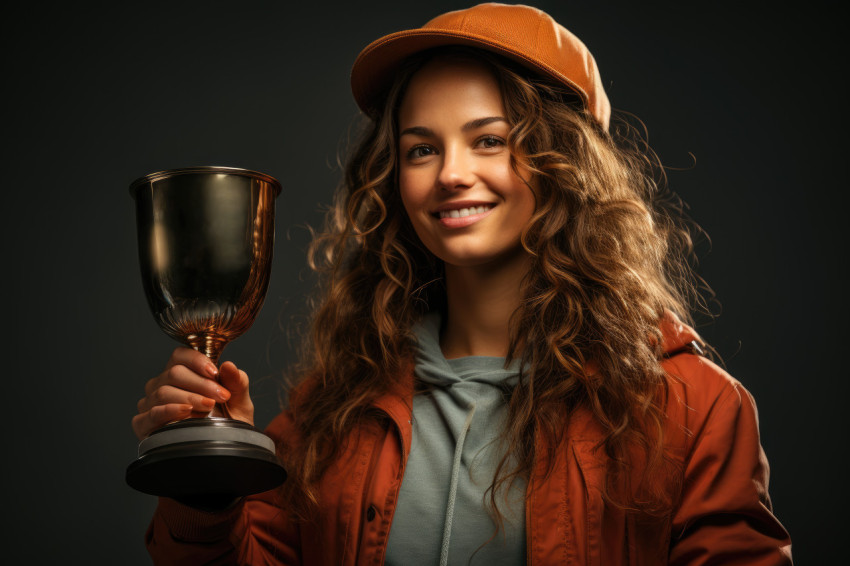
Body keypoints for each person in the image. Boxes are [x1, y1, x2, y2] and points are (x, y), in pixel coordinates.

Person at [134, 3, 792, 564]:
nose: (450, 173)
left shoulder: (694, 409)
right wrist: (211, 487)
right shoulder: (331, 408)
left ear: (566, 163)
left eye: (489, 140)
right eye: (421, 148)